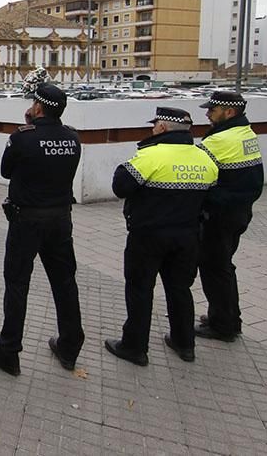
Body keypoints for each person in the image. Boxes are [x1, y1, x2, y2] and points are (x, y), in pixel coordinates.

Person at [0, 84, 85, 376]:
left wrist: (28, 127)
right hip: (61, 221)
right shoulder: (73, 138)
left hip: (26, 222)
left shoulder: (23, 138)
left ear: (36, 108)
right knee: (65, 283)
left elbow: (6, 170)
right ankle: (70, 344)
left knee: (17, 284)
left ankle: (9, 351)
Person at [105, 107, 219, 366]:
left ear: (163, 128)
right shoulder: (205, 158)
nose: (152, 129)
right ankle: (184, 343)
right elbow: (210, 196)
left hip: (148, 236)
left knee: (140, 290)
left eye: (155, 125)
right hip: (188, 236)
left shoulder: (150, 155)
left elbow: (120, 187)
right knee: (180, 289)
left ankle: (134, 347)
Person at [195, 91, 264, 341]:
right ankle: (229, 317)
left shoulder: (219, 140)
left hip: (219, 215)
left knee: (214, 268)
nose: (207, 114)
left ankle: (221, 325)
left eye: (212, 110)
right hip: (240, 211)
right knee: (224, 266)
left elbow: (195, 169)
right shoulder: (247, 133)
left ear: (229, 112)